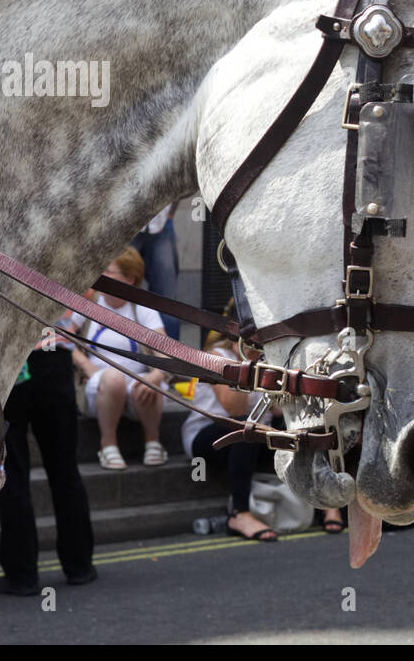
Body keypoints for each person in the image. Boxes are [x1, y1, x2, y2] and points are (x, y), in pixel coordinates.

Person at [0, 311, 96, 595]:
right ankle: (79, 566)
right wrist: (70, 327)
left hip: (10, 360)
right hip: (54, 359)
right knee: (64, 468)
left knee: (11, 473)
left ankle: (21, 575)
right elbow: (82, 290)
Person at [181, 324, 285, 540]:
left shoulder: (268, 358)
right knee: (244, 428)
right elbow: (234, 408)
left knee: (299, 431)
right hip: (206, 438)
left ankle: (326, 508)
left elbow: (278, 410)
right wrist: (245, 363)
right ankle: (239, 513)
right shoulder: (216, 357)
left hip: (253, 439)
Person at [71, 246, 170, 469]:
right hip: (98, 383)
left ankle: (153, 442)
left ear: (130, 279)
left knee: (150, 382)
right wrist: (86, 365)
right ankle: (108, 445)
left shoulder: (143, 309)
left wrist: (156, 375)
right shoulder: (89, 301)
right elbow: (62, 338)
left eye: (108, 273)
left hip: (136, 385)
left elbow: (163, 350)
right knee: (113, 378)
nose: (100, 277)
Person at [131, 201, 181, 340]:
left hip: (162, 222)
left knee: (166, 300)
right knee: (117, 287)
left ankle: (170, 355)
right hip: (125, 222)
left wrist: (170, 214)